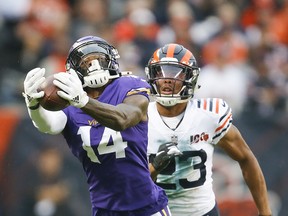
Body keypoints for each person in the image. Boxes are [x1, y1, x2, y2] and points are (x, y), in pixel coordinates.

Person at [22, 35, 171, 216]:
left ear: (111, 59)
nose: (94, 66)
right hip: (105, 209)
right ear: (75, 69)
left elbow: (123, 118)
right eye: (86, 62)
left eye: (99, 59)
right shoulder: (69, 103)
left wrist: (83, 102)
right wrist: (34, 106)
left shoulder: (130, 85)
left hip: (147, 206)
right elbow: (48, 126)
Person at [145, 43, 272, 216]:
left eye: (175, 72)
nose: (167, 78)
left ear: (191, 77)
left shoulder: (209, 115)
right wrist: (153, 168)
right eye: (161, 72)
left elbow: (246, 158)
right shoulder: (140, 118)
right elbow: (129, 184)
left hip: (202, 212)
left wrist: (266, 213)